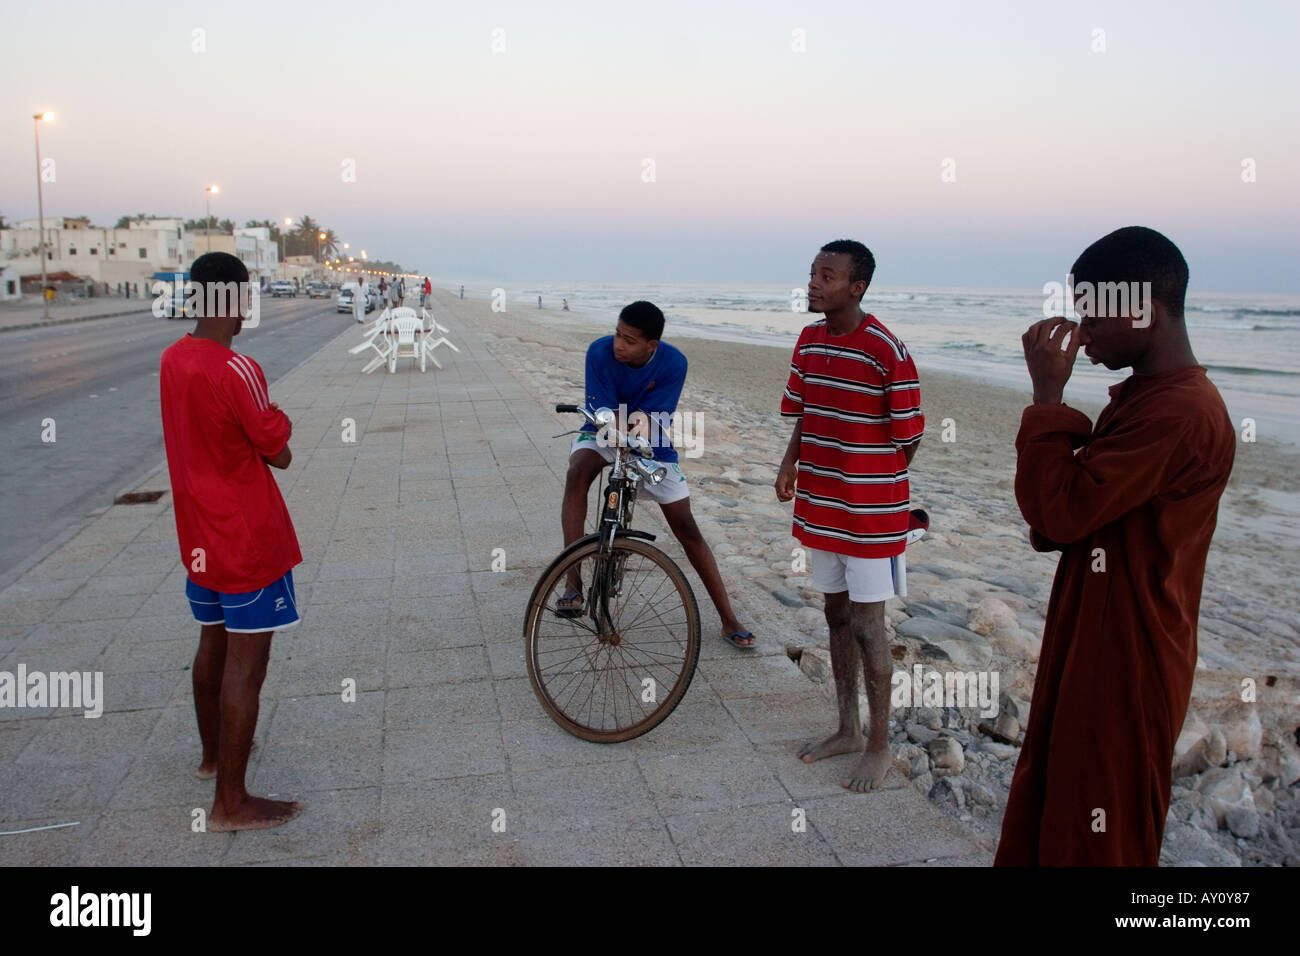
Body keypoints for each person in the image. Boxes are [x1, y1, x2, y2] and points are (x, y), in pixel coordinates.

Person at [994, 227, 1235, 866]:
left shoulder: (1179, 411)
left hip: (1130, 648)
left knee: (1099, 817)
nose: (1083, 332)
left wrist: (1047, 396)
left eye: (1091, 313)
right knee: (1062, 790)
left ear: (1142, 309)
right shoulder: (1155, 399)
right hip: (1100, 633)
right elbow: (1067, 513)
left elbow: (1064, 511)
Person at [159, 252, 304, 832]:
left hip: (198, 535)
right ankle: (230, 803)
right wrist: (280, 420)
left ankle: (212, 758)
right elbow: (280, 452)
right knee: (248, 664)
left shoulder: (172, 359)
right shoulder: (235, 367)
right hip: (247, 538)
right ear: (237, 301)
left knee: (211, 644)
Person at [776, 240, 924, 792]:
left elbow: (909, 437)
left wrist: (872, 481)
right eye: (813, 273)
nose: (814, 283)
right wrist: (790, 461)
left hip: (871, 512)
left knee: (868, 624)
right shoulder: (810, 340)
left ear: (856, 286)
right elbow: (806, 411)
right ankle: (847, 728)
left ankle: (879, 746)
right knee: (835, 614)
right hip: (821, 502)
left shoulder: (885, 348)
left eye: (828, 276)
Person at [560, 300, 754, 647]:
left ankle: (728, 617)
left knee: (686, 526)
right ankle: (572, 582)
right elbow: (601, 409)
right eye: (618, 333)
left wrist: (632, 443)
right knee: (577, 473)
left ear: (652, 345)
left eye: (630, 340)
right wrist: (614, 438)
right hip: (604, 428)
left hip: (650, 435)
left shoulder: (674, 362)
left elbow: (652, 418)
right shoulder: (599, 351)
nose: (619, 344)